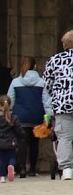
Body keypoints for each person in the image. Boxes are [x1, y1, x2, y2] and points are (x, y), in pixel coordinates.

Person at [9, 57, 51, 177]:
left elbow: (10, 100)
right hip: (37, 116)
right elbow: (46, 101)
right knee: (34, 144)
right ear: (35, 66)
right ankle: (32, 169)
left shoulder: (15, 82)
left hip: (20, 117)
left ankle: (22, 169)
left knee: (22, 143)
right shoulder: (42, 82)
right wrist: (48, 117)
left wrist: (10, 114)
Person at [44, 29, 73, 180]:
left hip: (62, 104)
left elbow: (47, 84)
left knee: (65, 137)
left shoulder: (54, 60)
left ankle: (67, 169)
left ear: (64, 45)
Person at [0, 95, 24, 183]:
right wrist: (22, 136)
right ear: (10, 105)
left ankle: (2, 177)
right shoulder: (13, 117)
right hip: (10, 141)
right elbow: (19, 129)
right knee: (12, 156)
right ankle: (11, 167)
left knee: (1, 158)